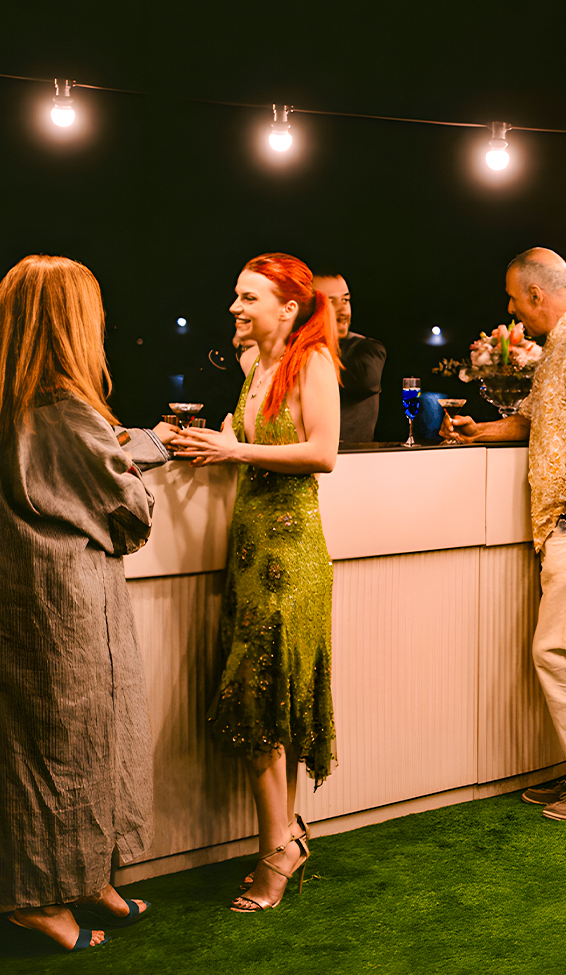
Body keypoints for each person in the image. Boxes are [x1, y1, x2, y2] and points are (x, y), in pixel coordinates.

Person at [0, 255, 173, 950]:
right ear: (71, 325)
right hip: (68, 600)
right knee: (67, 747)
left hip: (27, 595)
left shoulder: (8, 403)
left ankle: (86, 879)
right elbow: (131, 511)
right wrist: (145, 455)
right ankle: (39, 900)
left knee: (60, 744)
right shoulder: (66, 406)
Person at [444, 248, 566, 821]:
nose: (510, 308)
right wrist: (481, 430)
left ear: (535, 295)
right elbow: (531, 421)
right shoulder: (558, 349)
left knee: (556, 649)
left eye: (512, 297)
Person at [174, 252, 341, 910]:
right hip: (247, 552)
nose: (235, 309)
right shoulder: (252, 366)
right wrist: (204, 443)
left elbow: (323, 453)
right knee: (264, 707)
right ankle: (285, 838)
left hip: (292, 558)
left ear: (288, 308)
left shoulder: (314, 362)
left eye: (248, 299)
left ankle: (280, 850)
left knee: (259, 708)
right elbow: (244, 438)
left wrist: (234, 449)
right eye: (236, 297)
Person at [312, 271, 387, 442]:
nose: (343, 310)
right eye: (330, 301)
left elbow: (365, 381)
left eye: (345, 300)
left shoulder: (368, 349)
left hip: (353, 460)